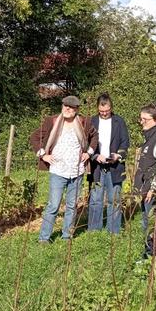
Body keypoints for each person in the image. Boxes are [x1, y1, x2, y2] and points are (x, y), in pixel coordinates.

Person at [31, 95, 98, 243]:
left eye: (71, 107)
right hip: (58, 171)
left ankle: (67, 236)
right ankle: (44, 238)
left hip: (77, 171)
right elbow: (34, 137)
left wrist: (89, 152)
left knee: (72, 206)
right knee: (53, 205)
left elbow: (94, 137)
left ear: (77, 109)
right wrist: (43, 155)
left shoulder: (84, 122)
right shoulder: (53, 121)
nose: (67, 109)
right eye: (65, 106)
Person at [87, 93, 129, 233]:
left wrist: (119, 154)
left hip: (115, 166)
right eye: (101, 111)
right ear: (97, 108)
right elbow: (85, 143)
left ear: (111, 107)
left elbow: (125, 142)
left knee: (114, 200)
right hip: (97, 167)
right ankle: (94, 230)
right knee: (95, 199)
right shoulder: (91, 122)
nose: (104, 113)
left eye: (107, 110)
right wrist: (95, 156)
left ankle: (114, 230)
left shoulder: (119, 122)